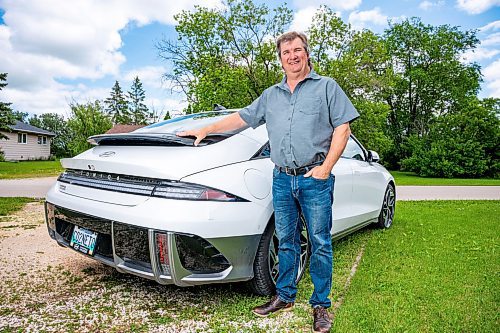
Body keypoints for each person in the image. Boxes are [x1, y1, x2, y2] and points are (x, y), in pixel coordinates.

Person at [177, 31, 359, 333]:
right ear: (280, 58)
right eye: (286, 52)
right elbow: (241, 118)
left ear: (307, 54)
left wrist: (326, 167)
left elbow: (343, 128)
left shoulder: (327, 87)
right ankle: (285, 296)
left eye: (298, 50)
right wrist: (206, 129)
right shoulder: (271, 95)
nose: (292, 56)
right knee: (286, 240)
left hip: (315, 177)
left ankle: (320, 306)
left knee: (320, 242)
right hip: (282, 178)